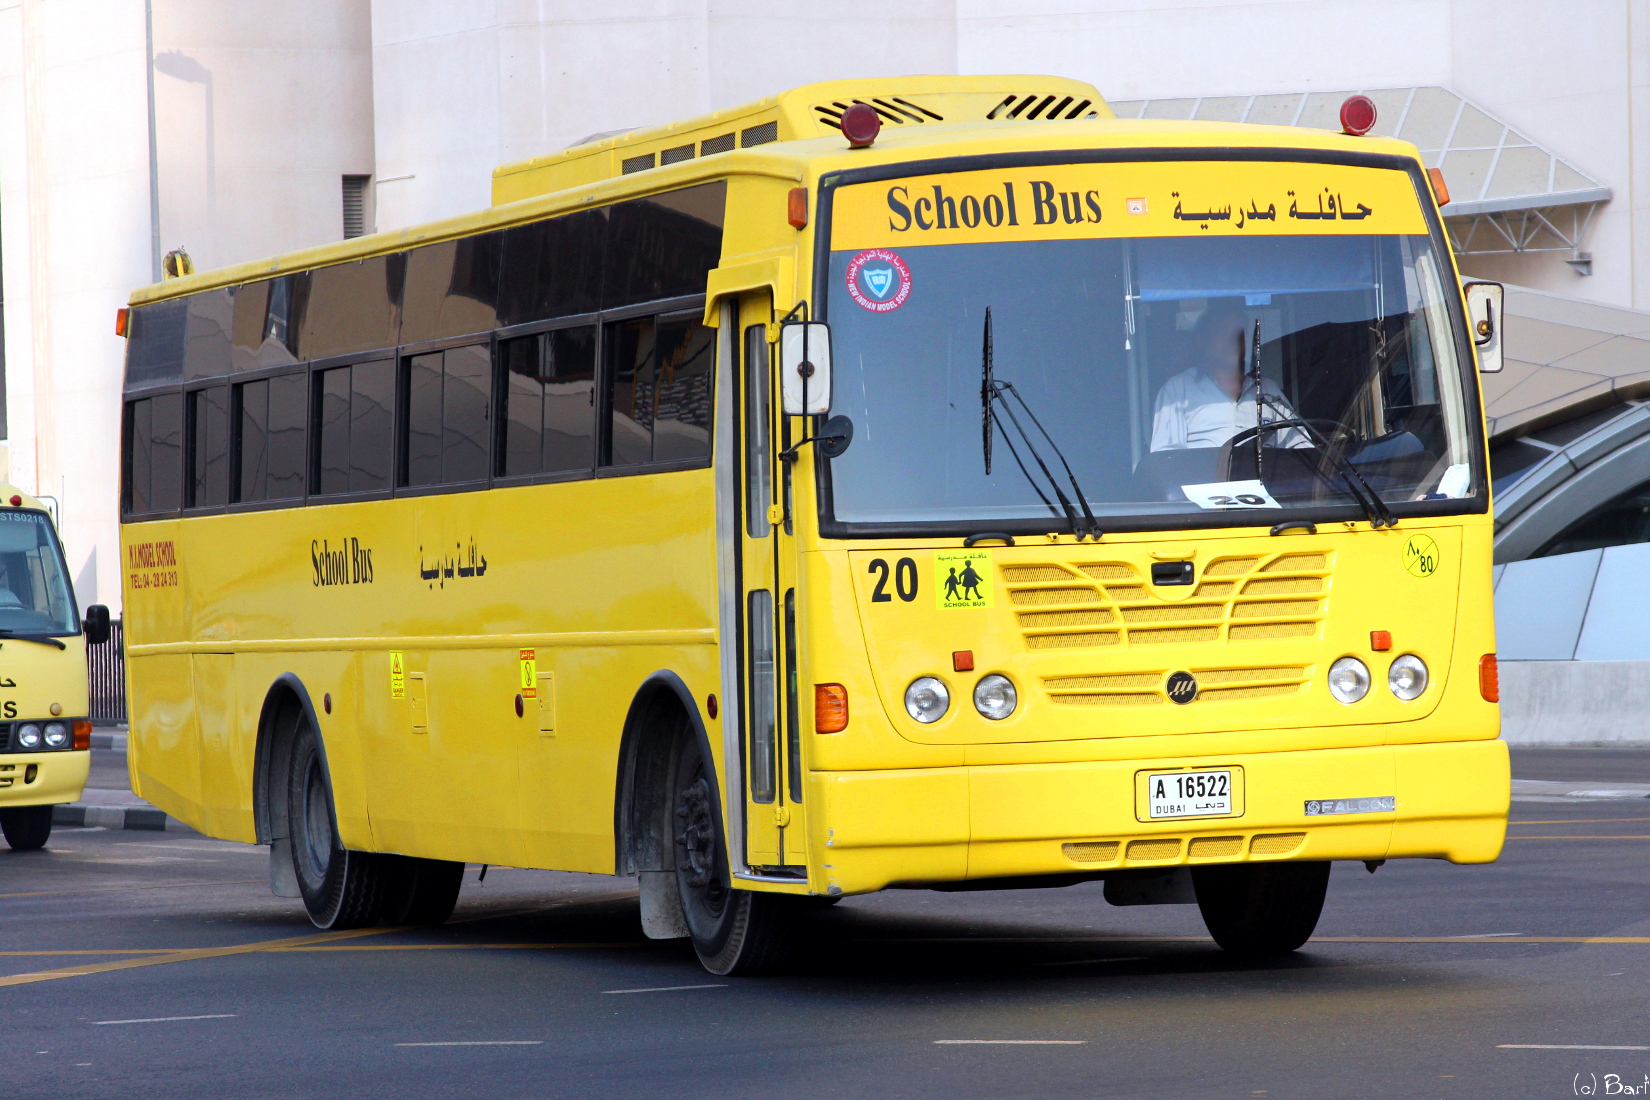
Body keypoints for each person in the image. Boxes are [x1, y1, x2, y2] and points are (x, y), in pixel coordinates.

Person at [1150, 302, 1309, 453]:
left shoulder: (1268, 389)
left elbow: (1301, 447)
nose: (1231, 340)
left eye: (1237, 333)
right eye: (1221, 332)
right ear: (1203, 341)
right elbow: (1167, 458)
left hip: (1263, 479)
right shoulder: (1178, 390)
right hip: (1204, 480)